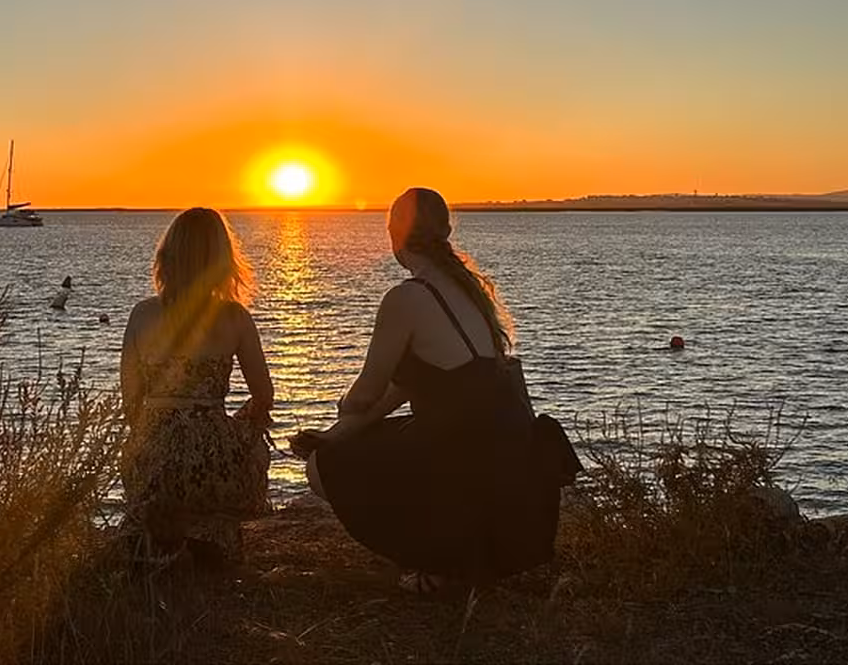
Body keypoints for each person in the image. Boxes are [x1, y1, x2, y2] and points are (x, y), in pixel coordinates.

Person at [292, 187, 568, 592]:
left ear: (395, 235)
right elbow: (398, 394)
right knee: (358, 443)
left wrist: (342, 413)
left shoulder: (406, 298)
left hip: (461, 463)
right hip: (505, 461)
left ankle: (437, 563)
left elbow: (366, 396)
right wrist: (334, 435)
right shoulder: (471, 292)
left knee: (322, 468)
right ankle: (452, 559)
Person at [120, 207, 275, 564]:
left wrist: (154, 435)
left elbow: (130, 399)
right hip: (214, 455)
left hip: (155, 450)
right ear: (222, 261)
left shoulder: (141, 315)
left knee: (145, 461)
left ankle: (158, 540)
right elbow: (264, 396)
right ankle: (210, 537)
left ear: (167, 257)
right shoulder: (235, 318)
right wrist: (237, 424)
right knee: (252, 441)